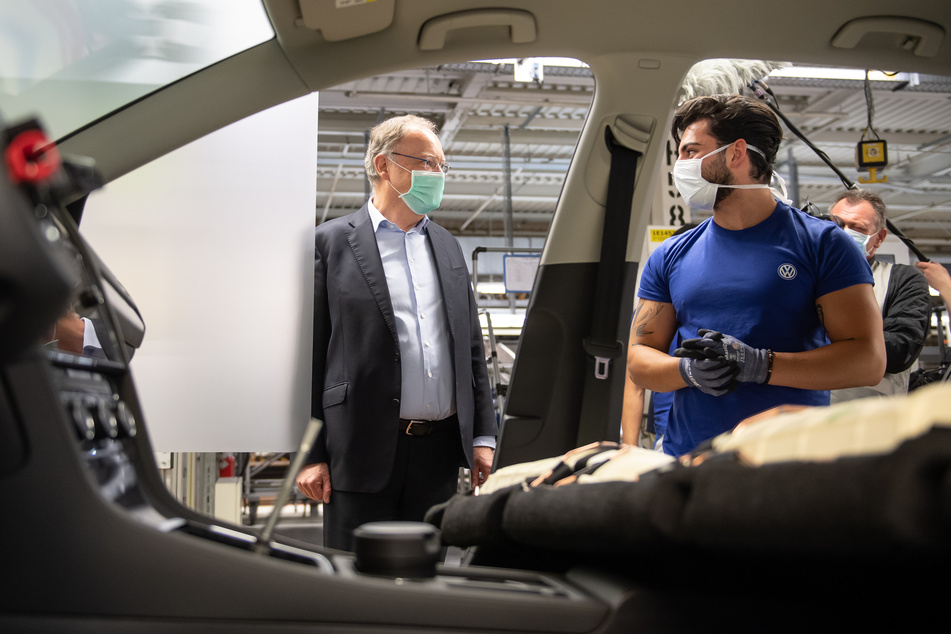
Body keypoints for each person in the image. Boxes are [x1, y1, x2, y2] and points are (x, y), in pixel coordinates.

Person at [628, 94, 886, 457]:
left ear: (736, 154)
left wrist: (762, 365)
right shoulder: (671, 255)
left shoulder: (823, 244)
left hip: (789, 462)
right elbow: (640, 358)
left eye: (690, 151)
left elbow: (868, 360)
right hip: (690, 461)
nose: (680, 165)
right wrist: (686, 371)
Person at [296, 115, 497, 551]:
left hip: (439, 454)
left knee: (427, 583)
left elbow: (470, 350)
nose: (438, 175)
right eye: (428, 162)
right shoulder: (329, 243)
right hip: (359, 449)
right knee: (355, 584)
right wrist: (310, 454)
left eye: (443, 166)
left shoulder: (447, 247)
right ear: (384, 166)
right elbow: (308, 357)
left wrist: (483, 437)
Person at [828, 189, 932, 401]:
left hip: (872, 421)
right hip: (803, 418)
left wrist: (814, 337)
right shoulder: (804, 277)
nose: (844, 233)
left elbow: (898, 351)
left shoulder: (902, 280)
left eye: (857, 228)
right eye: (837, 225)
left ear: (878, 238)